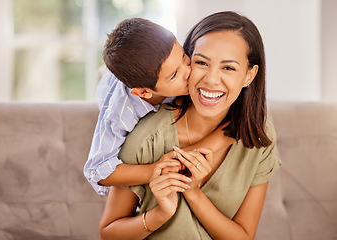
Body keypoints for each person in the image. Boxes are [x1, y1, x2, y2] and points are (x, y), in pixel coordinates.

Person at [99, 11, 281, 239]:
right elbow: (108, 233)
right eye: (201, 62)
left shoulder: (258, 136)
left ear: (249, 75)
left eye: (228, 68)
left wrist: (193, 193)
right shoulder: (145, 138)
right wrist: (160, 215)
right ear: (187, 58)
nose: (211, 79)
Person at [84, 18, 235, 195]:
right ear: (144, 93)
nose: (189, 73)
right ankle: (103, 73)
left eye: (185, 58)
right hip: (108, 87)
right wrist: (154, 170)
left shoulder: (178, 72)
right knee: (107, 79)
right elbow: (97, 171)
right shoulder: (120, 114)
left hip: (145, 79)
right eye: (174, 75)